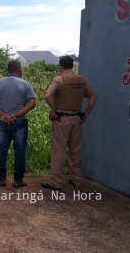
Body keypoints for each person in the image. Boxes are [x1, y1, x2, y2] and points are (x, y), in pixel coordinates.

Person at [41, 55, 97, 190]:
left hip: (61, 119)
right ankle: (77, 180)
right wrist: (86, 113)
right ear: (72, 66)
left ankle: (55, 181)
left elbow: (47, 95)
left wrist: (53, 108)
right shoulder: (82, 80)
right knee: (75, 150)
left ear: (60, 66)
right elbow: (93, 96)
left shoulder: (59, 80)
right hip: (77, 119)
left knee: (59, 151)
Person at [0, 60, 36, 188]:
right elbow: (32, 103)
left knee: (2, 150)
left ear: (8, 69)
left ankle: (2, 179)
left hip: (3, 122)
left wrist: (2, 115)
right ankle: (17, 180)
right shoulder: (26, 84)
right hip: (20, 121)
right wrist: (16, 115)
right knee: (20, 151)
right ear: (19, 69)